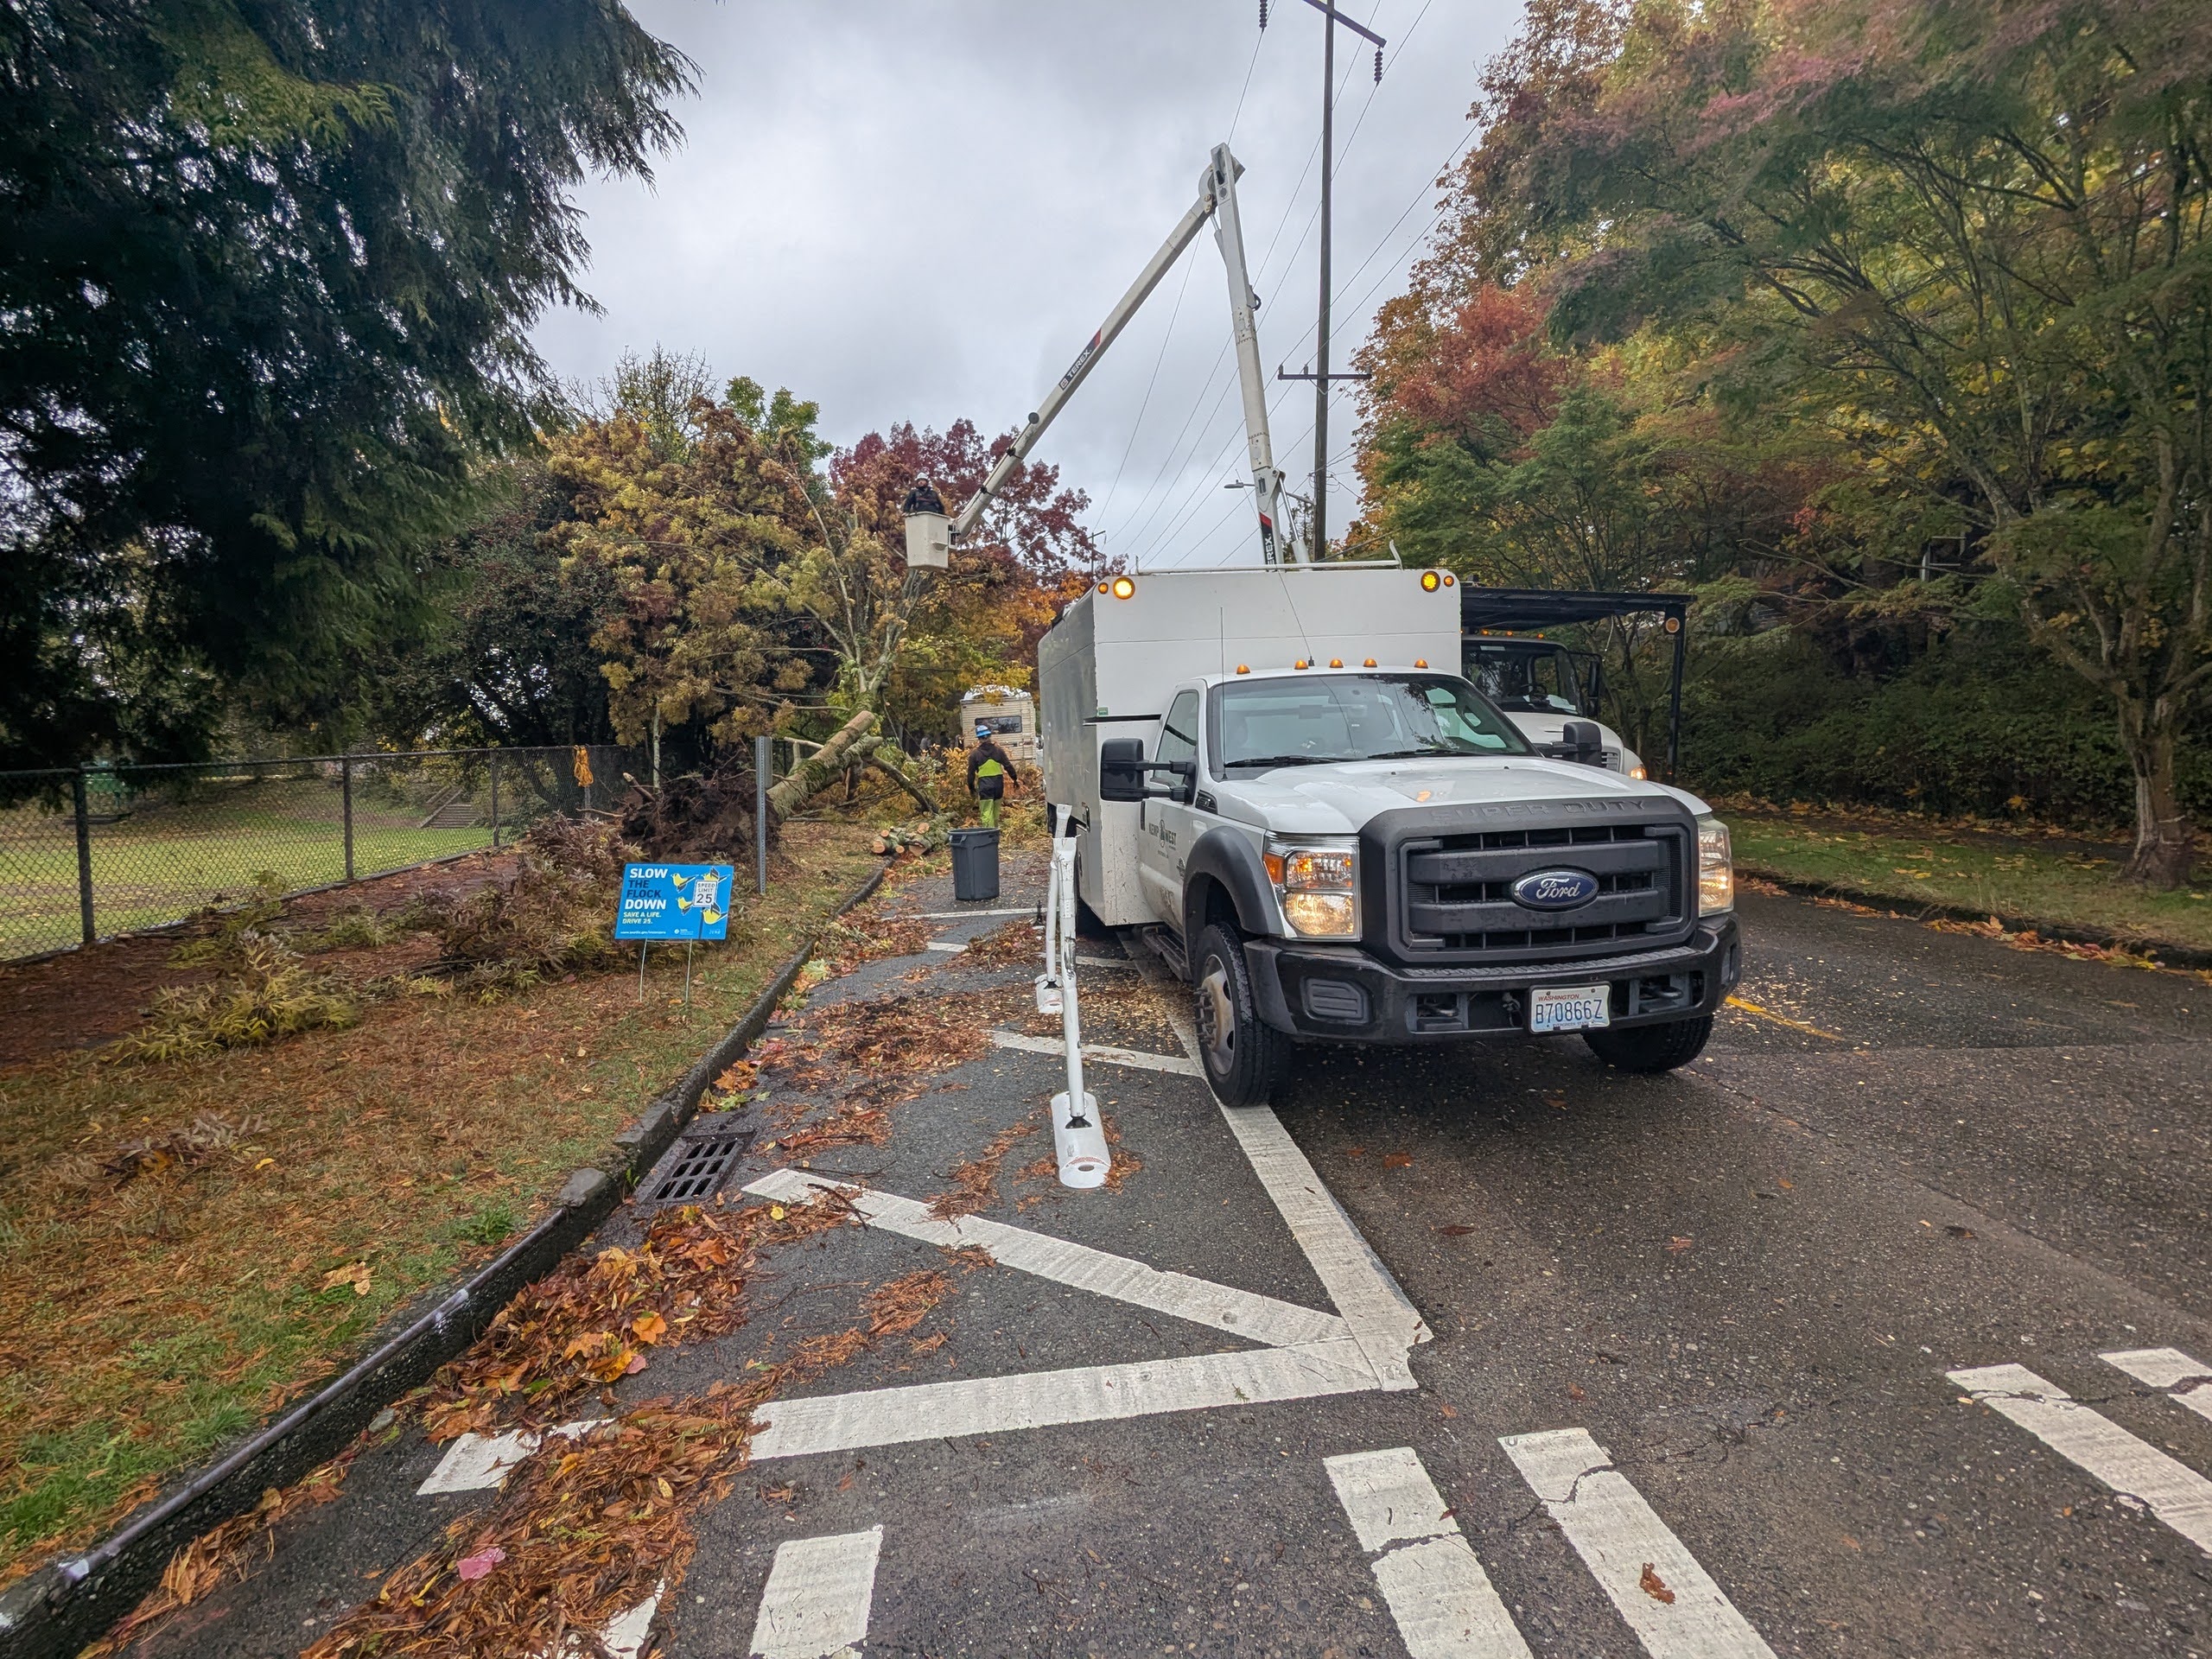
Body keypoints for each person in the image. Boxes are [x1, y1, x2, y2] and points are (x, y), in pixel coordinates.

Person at [966, 722, 1013, 830]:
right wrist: (1014, 779)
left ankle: (988, 835)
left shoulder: (975, 754)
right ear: (989, 736)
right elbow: (1008, 766)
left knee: (986, 813)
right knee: (996, 812)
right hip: (998, 786)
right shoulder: (998, 751)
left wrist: (971, 788)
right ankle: (996, 834)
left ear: (979, 739)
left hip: (985, 786)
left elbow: (971, 773)